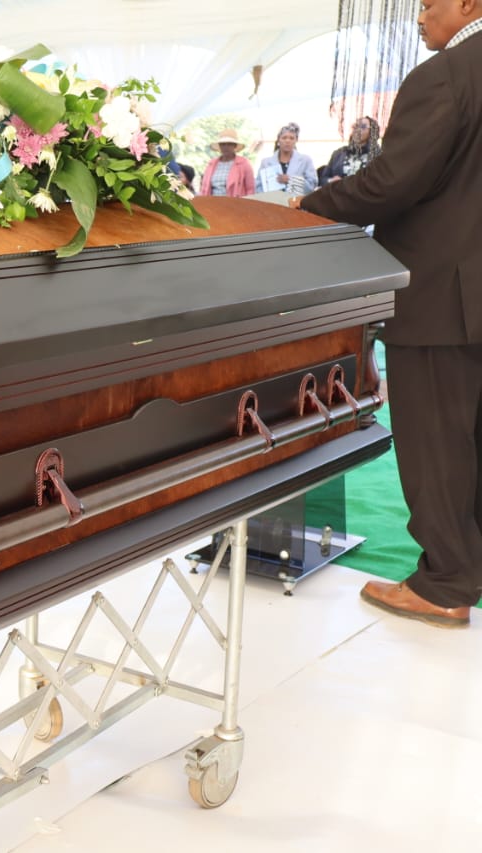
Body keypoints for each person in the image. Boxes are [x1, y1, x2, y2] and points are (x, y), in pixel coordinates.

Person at [292, 0, 482, 627]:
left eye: (428, 4)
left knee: (437, 442)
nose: (419, 16)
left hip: (443, 296)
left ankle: (445, 583)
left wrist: (308, 209)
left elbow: (392, 182)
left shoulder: (445, 75)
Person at [255, 123, 317, 194]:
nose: (287, 141)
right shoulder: (265, 163)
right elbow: (258, 186)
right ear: (278, 140)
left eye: (291, 138)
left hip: (296, 200)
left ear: (296, 140)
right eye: (284, 138)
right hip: (272, 200)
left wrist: (291, 180)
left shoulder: (305, 160)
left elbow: (312, 185)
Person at [319, 117, 382, 183]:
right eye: (355, 126)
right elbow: (322, 179)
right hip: (340, 189)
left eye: (363, 126)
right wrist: (330, 180)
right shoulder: (338, 154)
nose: (357, 129)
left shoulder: (378, 156)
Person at [198, 128, 254, 198]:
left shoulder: (243, 163)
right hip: (212, 202)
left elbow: (250, 189)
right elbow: (204, 188)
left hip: (236, 203)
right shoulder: (211, 164)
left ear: (235, 146)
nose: (226, 147)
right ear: (219, 146)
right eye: (223, 144)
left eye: (229, 144)